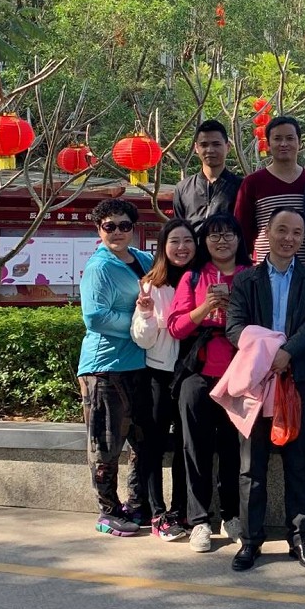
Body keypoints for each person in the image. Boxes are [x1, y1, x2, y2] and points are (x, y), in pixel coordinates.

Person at [223, 208, 305, 572]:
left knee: (297, 462)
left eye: (296, 232)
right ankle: (251, 541)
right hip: (256, 381)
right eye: (282, 230)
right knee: (251, 466)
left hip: (296, 379)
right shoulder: (246, 280)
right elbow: (234, 327)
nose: (289, 238)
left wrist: (287, 352)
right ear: (267, 232)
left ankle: (300, 538)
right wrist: (267, 353)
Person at [167, 214, 251, 551]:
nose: (222, 241)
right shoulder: (193, 276)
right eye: (214, 235)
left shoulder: (250, 275)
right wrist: (206, 307)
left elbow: (262, 323)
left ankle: (231, 515)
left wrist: (233, 310)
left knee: (233, 448)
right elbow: (176, 327)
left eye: (229, 234)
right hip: (198, 374)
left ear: (239, 239)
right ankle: (199, 520)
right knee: (195, 447)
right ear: (205, 241)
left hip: (239, 375)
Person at [77, 198, 152, 536]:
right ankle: (107, 511)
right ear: (99, 229)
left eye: (124, 225)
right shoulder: (99, 267)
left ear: (133, 228)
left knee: (141, 442)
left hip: (139, 364)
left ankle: (136, 506)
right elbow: (96, 317)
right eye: (110, 226)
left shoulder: (144, 259)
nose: (117, 232)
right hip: (105, 367)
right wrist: (141, 324)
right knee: (105, 444)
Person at [130, 218, 198, 539]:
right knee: (153, 445)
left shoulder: (202, 279)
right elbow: (143, 340)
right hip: (159, 373)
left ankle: (181, 509)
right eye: (174, 241)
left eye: (188, 241)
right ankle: (158, 513)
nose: (182, 247)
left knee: (187, 444)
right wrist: (145, 313)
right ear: (162, 247)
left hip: (193, 374)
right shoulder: (151, 285)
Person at [233, 115, 305, 266]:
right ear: (268, 144)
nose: (284, 144)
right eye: (277, 139)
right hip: (264, 271)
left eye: (290, 138)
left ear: (299, 142)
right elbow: (241, 231)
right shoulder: (252, 183)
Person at [172, 120, 242, 231]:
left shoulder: (241, 187)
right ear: (196, 148)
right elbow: (179, 230)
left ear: (228, 147)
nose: (210, 150)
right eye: (204, 145)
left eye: (216, 144)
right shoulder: (183, 188)